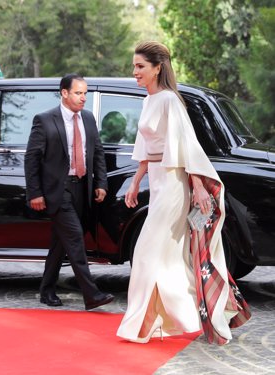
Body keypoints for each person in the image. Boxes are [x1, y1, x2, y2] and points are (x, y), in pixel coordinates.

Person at [117, 41, 251, 345]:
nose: (134, 71)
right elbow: (145, 149)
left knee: (147, 253)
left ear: (157, 68)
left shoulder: (169, 101)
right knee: (168, 257)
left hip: (175, 185)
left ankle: (149, 322)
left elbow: (187, 145)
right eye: (134, 65)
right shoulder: (148, 101)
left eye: (140, 66)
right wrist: (136, 181)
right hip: (157, 181)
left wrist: (199, 186)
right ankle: (197, 311)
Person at [25, 73, 114, 310]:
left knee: (61, 243)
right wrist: (34, 193)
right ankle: (91, 294)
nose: (83, 98)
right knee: (74, 239)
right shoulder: (44, 120)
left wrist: (101, 184)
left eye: (85, 93)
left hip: (81, 188)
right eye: (78, 93)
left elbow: (97, 153)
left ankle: (46, 290)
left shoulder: (87, 118)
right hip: (58, 191)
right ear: (64, 93)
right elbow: (31, 159)